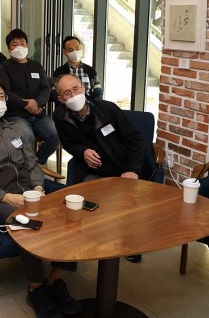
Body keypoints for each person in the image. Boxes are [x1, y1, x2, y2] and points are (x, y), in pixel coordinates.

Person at [0, 77, 81, 318]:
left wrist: (37, 184)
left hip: (29, 190)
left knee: (69, 213)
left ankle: (56, 280)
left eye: (1, 97)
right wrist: (5, 197)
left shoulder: (14, 128)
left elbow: (32, 161)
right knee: (26, 223)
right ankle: (36, 289)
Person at [53, 73, 144, 263]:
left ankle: (129, 242)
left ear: (83, 88)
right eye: (67, 93)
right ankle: (88, 242)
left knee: (124, 203)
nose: (73, 95)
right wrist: (83, 152)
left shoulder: (107, 109)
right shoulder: (60, 116)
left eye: (76, 89)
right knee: (81, 202)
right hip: (93, 170)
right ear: (61, 99)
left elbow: (135, 140)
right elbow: (68, 143)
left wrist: (133, 169)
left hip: (122, 167)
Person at [0, 29, 59, 167]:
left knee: (55, 135)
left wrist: (37, 102)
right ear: (8, 48)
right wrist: (26, 105)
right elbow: (4, 91)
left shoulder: (36, 66)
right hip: (15, 114)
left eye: (22, 43)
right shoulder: (4, 67)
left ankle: (36, 165)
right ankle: (29, 169)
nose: (19, 47)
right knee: (27, 138)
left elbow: (45, 88)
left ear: (27, 45)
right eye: (14, 44)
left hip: (37, 113)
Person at [51, 36, 102, 102]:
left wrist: (94, 106)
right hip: (67, 106)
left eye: (77, 48)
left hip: (88, 106)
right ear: (64, 52)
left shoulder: (90, 70)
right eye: (71, 50)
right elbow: (55, 93)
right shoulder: (59, 72)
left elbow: (98, 92)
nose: (75, 52)